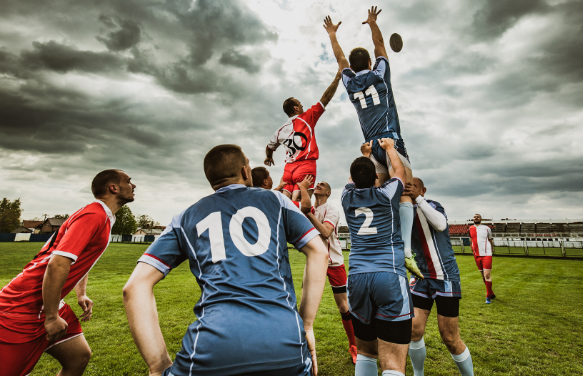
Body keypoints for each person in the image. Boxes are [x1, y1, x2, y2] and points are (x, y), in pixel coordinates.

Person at [123, 144, 328, 376]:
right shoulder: (277, 201)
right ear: (244, 171)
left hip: (211, 347)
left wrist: (157, 365)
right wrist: (307, 325)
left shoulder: (184, 217)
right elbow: (319, 253)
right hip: (285, 340)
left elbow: (134, 287)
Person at [0, 169, 136, 376]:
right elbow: (57, 263)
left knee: (78, 357)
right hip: (23, 306)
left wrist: (81, 293)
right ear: (113, 188)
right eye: (129, 181)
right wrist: (51, 316)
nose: (133, 186)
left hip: (47, 302)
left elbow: (77, 259)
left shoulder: (103, 216)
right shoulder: (94, 215)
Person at [324, 7, 422, 279]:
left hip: (370, 146)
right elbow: (380, 45)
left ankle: (382, 245)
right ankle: (404, 252)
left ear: (351, 67)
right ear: (369, 61)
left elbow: (339, 58)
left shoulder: (349, 82)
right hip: (390, 141)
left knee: (378, 192)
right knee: (405, 191)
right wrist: (372, 23)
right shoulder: (379, 73)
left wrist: (332, 34)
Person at [341, 137, 412, 376]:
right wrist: (390, 149)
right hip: (388, 275)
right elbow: (399, 172)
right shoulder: (386, 194)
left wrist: (365, 154)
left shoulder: (346, 197)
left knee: (366, 352)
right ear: (375, 179)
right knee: (392, 361)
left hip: (358, 278)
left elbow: (354, 178)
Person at [404, 178, 474, 376]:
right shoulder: (403, 212)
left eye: (413, 186)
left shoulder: (432, 205)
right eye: (405, 187)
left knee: (450, 337)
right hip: (420, 277)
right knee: (413, 331)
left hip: (444, 277)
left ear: (423, 190)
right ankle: (419, 374)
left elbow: (441, 224)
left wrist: (418, 199)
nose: (408, 189)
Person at [265, 71, 341, 201]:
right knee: (299, 206)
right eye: (300, 104)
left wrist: (269, 157)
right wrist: (337, 77)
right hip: (305, 166)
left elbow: (269, 147)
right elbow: (326, 98)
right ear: (296, 108)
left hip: (288, 171)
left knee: (286, 204)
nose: (302, 106)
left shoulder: (280, 130)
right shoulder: (306, 118)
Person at [304, 180, 358, 364]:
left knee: (344, 306)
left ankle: (354, 345)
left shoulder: (331, 209)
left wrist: (308, 215)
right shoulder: (308, 208)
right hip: (315, 262)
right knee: (306, 308)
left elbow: (326, 232)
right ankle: (303, 347)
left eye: (323, 184)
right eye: (317, 183)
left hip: (334, 263)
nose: (318, 184)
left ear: (328, 192)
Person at [469, 213, 495, 304]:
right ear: (473, 219)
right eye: (474, 217)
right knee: (483, 275)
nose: (476, 218)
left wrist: (491, 250)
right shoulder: (470, 228)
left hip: (486, 254)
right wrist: (472, 249)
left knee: (487, 275)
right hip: (476, 255)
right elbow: (471, 239)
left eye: (478, 217)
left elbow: (490, 239)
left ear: (481, 219)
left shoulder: (487, 228)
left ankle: (488, 296)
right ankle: (491, 292)